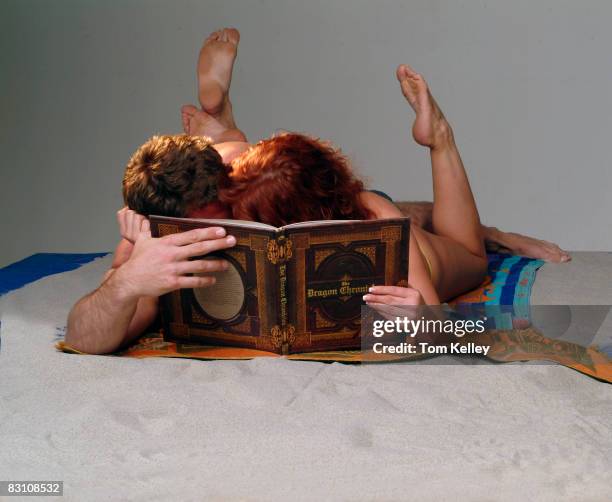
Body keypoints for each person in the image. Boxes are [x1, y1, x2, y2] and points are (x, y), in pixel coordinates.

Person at [65, 28, 569, 354]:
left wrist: (423, 321)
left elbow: (445, 331)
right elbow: (85, 338)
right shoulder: (155, 236)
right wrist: (127, 277)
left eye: (228, 198)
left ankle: (443, 145)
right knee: (258, 168)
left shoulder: (233, 176)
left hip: (354, 208)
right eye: (220, 209)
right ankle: (220, 121)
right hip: (279, 178)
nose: (234, 211)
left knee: (467, 253)